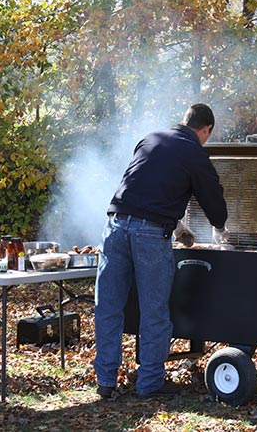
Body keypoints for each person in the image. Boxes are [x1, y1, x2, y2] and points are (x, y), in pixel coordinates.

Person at [94, 103, 229, 399]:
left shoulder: (150, 138)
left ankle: (105, 381)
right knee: (154, 310)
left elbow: (143, 187)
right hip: (149, 235)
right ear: (205, 129)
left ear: (184, 120)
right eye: (207, 135)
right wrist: (220, 228)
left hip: (114, 226)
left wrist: (178, 225)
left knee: (109, 307)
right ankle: (150, 383)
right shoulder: (194, 151)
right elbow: (213, 198)